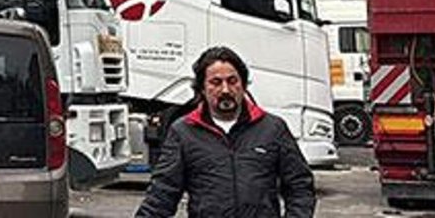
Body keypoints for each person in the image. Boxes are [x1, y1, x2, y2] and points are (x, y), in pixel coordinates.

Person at [135, 46, 315, 218]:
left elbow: (300, 186)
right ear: (202, 89)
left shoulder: (272, 129)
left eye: (232, 81)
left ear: (243, 85)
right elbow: (162, 194)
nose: (226, 90)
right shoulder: (183, 132)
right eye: (215, 82)